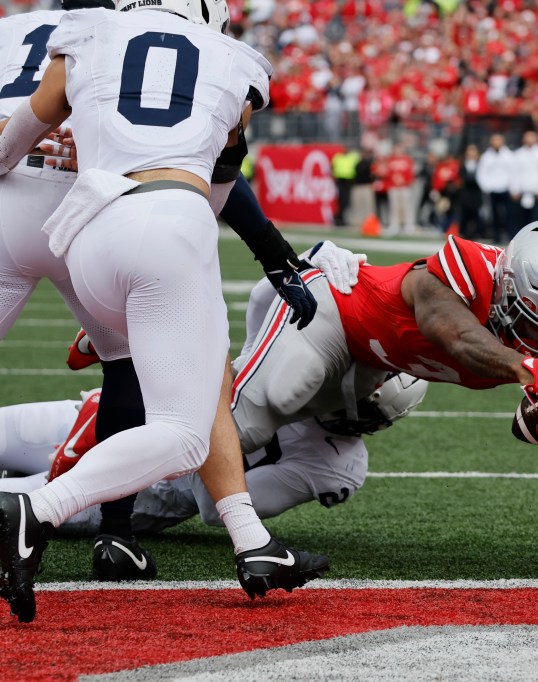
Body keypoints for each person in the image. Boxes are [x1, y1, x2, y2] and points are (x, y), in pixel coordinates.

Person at [0, 0, 324, 622]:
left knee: (176, 367)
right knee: (189, 406)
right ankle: (76, 522)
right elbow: (221, 180)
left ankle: (253, 541)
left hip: (84, 217)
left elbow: (22, 129)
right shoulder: (233, 61)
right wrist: (274, 255)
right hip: (147, 218)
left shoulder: (89, 30)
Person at [231, 220, 538, 460]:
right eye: (530, 326)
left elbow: (531, 412)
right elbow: (455, 334)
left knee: (296, 442)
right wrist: (526, 368)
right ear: (505, 285)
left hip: (373, 360)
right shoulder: (468, 266)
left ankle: (174, 501)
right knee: (269, 403)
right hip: (334, 306)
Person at [0, 372, 427, 539]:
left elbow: (213, 506)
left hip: (153, 486)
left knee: (12, 505)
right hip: (122, 415)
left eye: (362, 410)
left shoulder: (337, 466)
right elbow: (265, 292)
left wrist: (231, 428)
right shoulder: (303, 367)